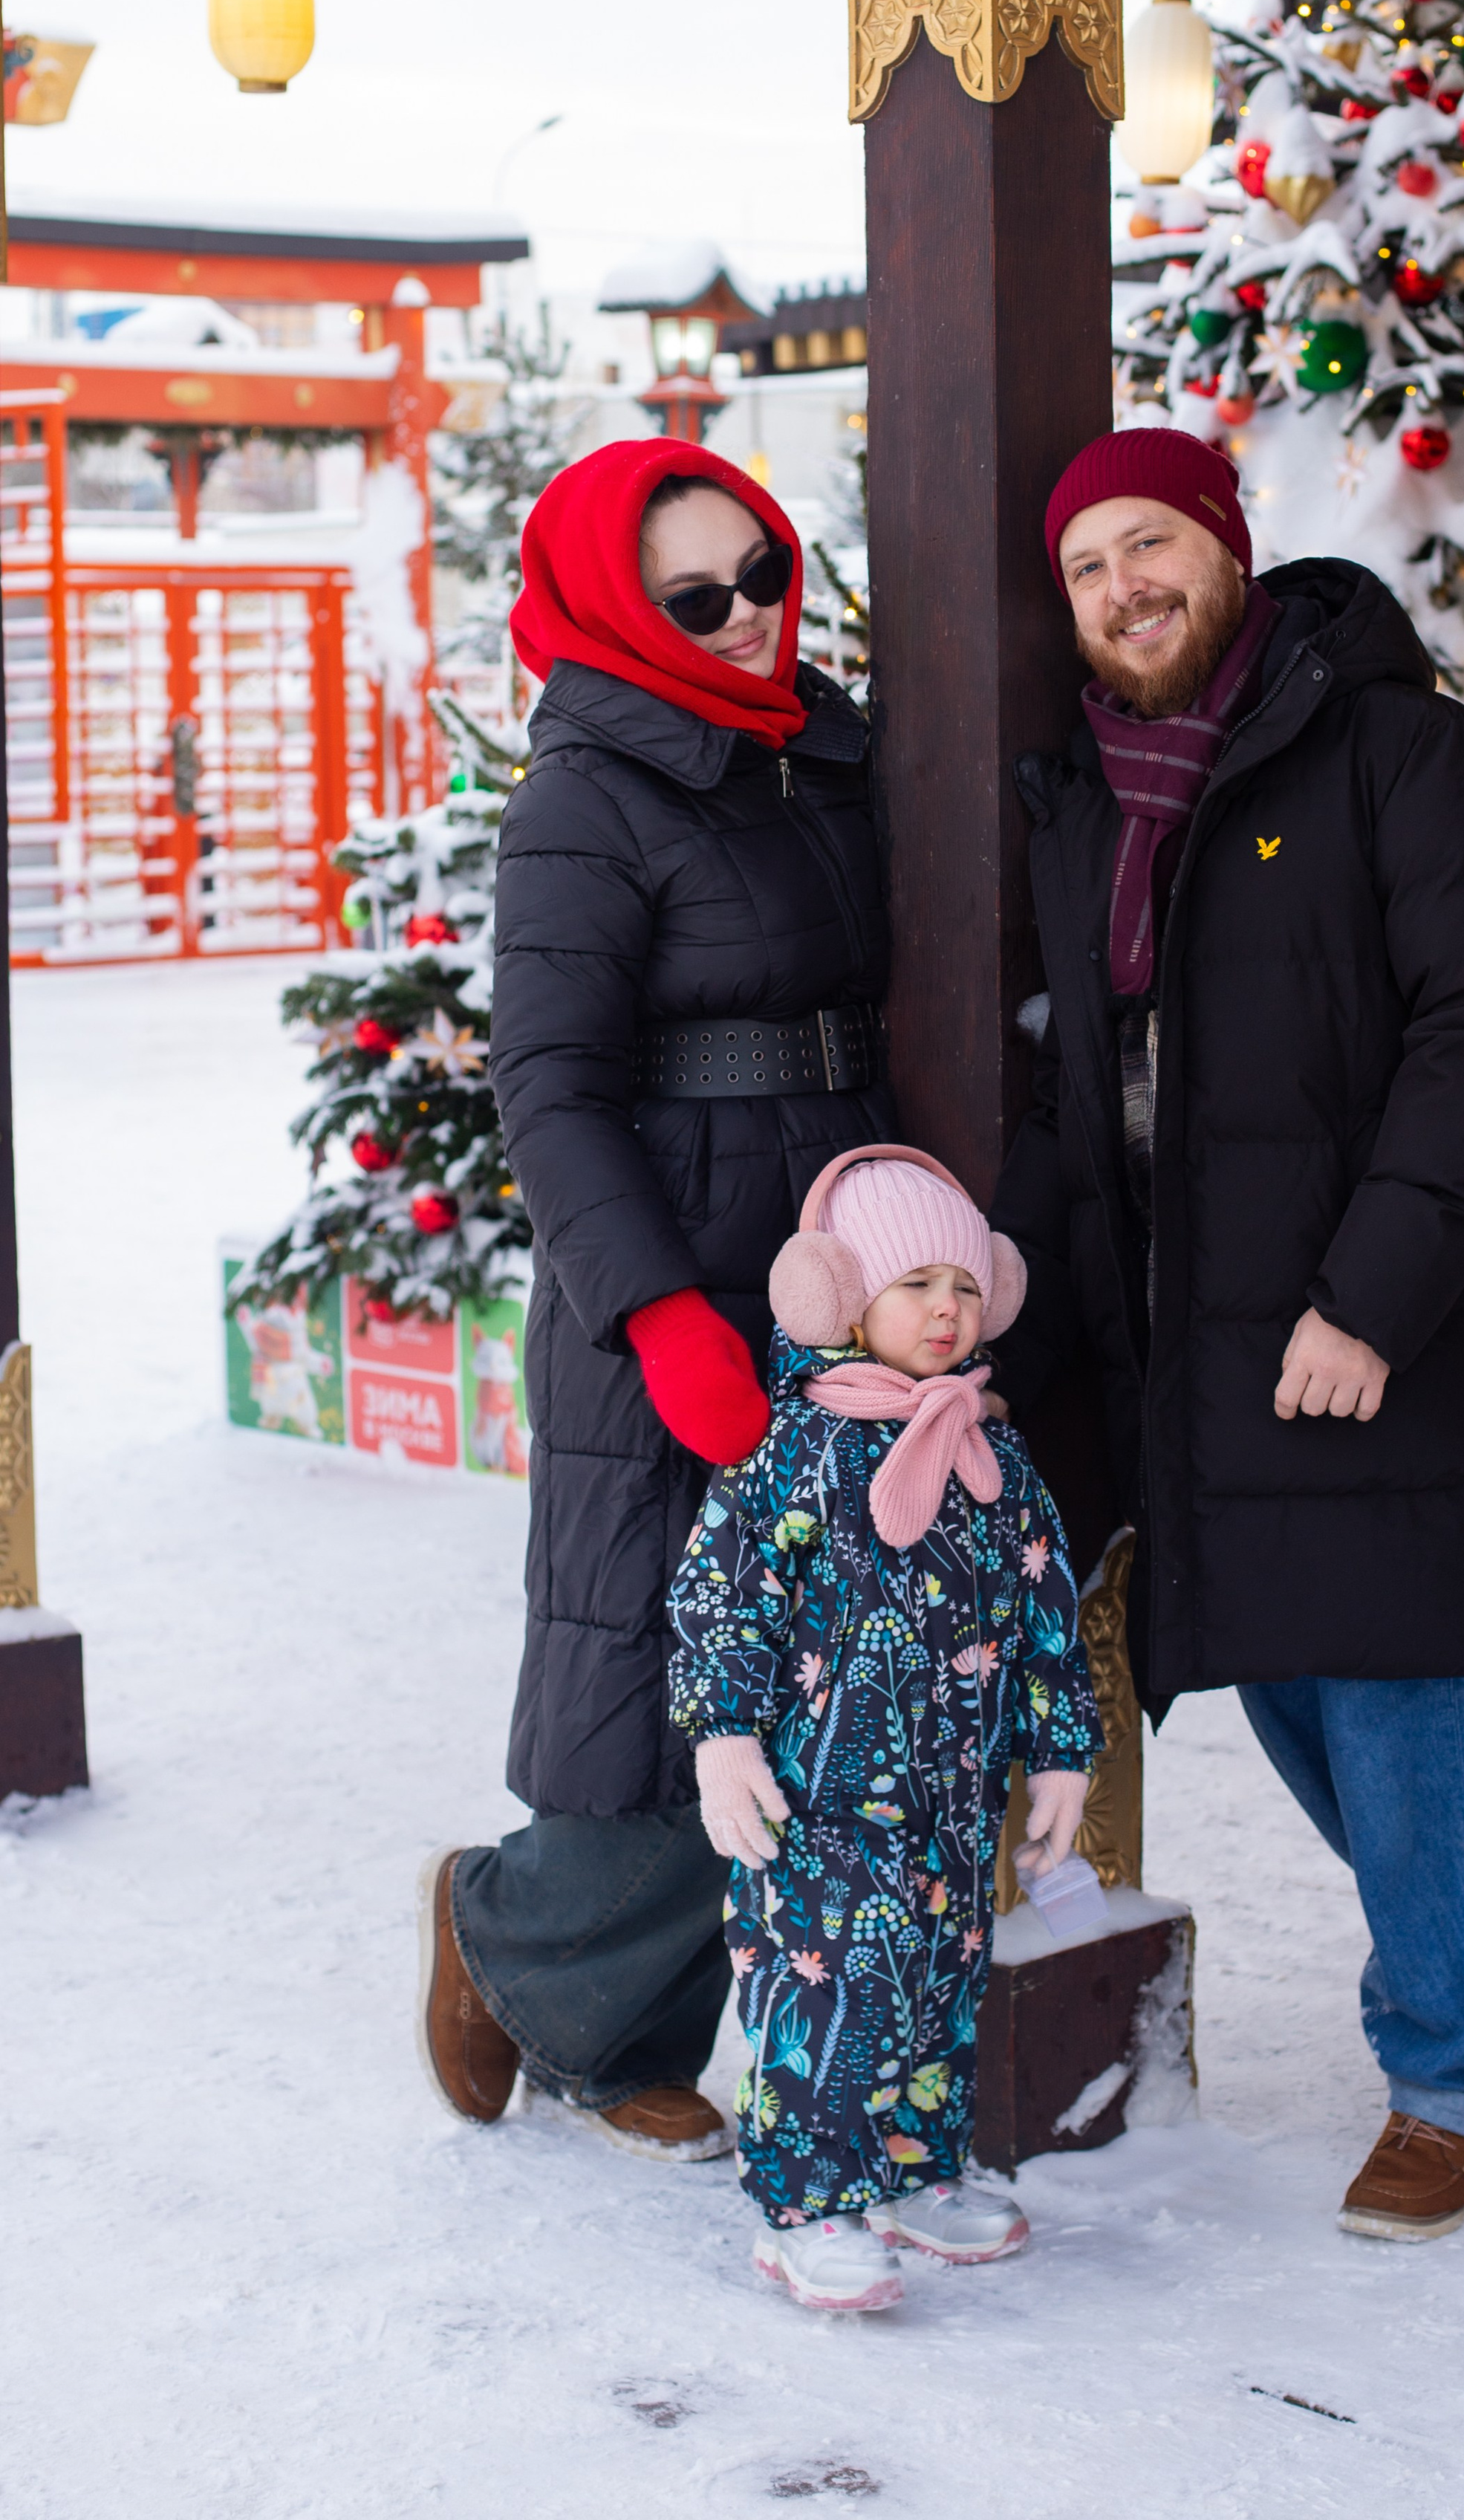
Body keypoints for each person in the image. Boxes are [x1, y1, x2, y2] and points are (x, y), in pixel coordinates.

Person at [990, 425, 1464, 2241]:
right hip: (1186, 1337)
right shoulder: (1084, 792)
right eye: (1086, 567)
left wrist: (1371, 1298)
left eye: (1148, 545)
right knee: (1304, 1696)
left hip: (1365, 1324)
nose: (1121, 588)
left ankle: (1444, 2078)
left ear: (1224, 545)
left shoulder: (1395, 753)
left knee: (1399, 1686)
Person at [417, 439, 895, 2159]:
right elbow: (548, 1087)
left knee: (821, 1665)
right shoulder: (584, 798)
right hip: (673, 1273)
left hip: (837, 1255)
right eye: (700, 596)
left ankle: (622, 2002)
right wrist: (656, 1315)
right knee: (657, 1673)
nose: (751, 617)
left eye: (764, 570)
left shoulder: (823, 754)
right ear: (624, 611)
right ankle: (514, 1942)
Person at [668, 1145, 1101, 2312]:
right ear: (839, 1294)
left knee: (935, 1986)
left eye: (963, 1287)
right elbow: (720, 1600)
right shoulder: (789, 1453)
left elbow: (1046, 1608)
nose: (946, 1312)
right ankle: (806, 2207)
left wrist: (1062, 1754)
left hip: (949, 1804)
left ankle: (913, 2174)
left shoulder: (991, 1452)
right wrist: (724, 1735)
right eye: (915, 1286)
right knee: (828, 1999)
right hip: (816, 1807)